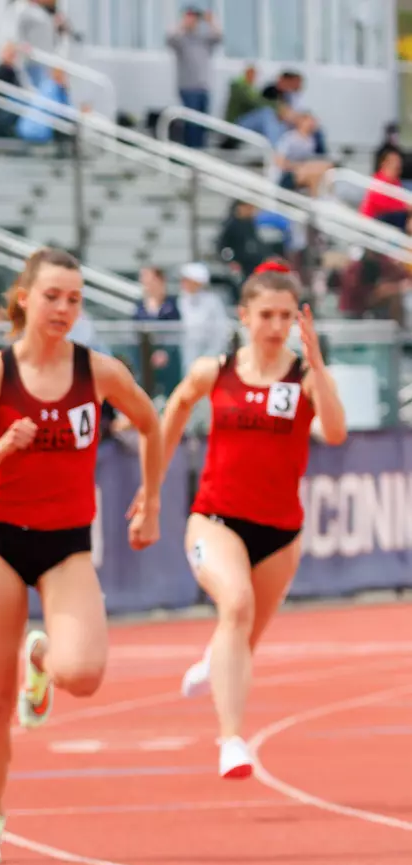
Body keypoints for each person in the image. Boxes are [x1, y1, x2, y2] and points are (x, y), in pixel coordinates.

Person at [0, 248, 164, 865]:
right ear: (24, 298)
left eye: (74, 299)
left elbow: (151, 423)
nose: (63, 309)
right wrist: (2, 449)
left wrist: (150, 500)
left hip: (67, 542)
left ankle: (42, 659)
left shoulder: (98, 372)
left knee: (85, 676)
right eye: (52, 296)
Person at [159, 263, 346, 779]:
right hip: (216, 518)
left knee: (243, 636)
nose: (276, 324)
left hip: (280, 532)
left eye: (286, 316)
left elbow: (334, 432)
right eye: (266, 314)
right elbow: (174, 410)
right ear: (243, 316)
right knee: (236, 605)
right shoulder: (214, 371)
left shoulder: (304, 378)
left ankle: (211, 661)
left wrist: (319, 365)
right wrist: (151, 486)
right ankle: (231, 741)